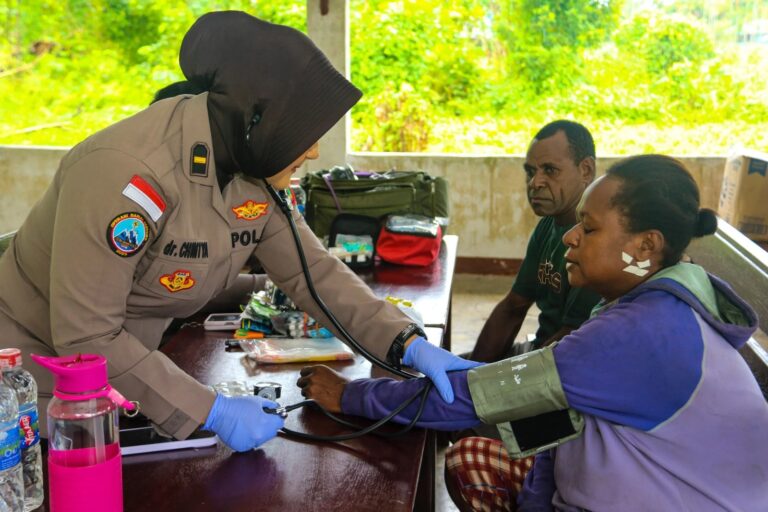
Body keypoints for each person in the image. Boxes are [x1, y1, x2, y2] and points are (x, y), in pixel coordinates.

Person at [0, 11, 475, 452]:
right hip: (34, 380)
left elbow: (313, 273)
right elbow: (87, 337)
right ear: (258, 120)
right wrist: (213, 410)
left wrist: (406, 343)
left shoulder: (249, 167)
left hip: (129, 371)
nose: (312, 152)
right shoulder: (126, 174)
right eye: (305, 131)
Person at [298, 155, 768, 511]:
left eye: (589, 227)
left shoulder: (639, 333)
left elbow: (478, 398)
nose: (571, 236)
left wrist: (353, 397)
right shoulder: (652, 309)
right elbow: (557, 419)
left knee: (461, 426)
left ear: (646, 245)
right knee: (472, 452)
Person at [469, 120, 601, 363]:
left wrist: (487, 383)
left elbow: (569, 341)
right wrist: (470, 370)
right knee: (442, 375)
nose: (534, 183)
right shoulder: (548, 225)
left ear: (586, 170)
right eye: (530, 172)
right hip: (541, 351)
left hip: (566, 369)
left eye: (550, 170)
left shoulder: (598, 241)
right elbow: (513, 307)